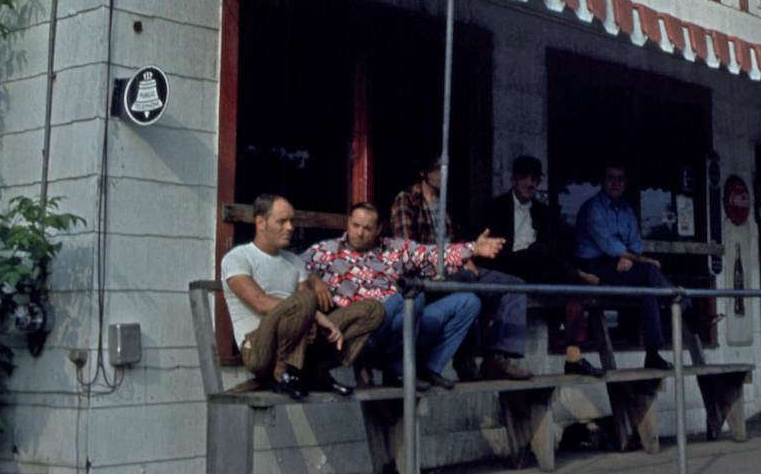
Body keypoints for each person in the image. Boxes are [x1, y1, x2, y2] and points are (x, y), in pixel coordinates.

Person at [301, 202, 504, 389]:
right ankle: (398, 372)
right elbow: (290, 267)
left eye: (367, 228)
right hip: (362, 333)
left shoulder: (394, 249)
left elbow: (430, 255)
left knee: (467, 301)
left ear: (379, 229)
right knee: (411, 296)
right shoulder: (325, 252)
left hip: (402, 328)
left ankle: (427, 369)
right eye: (355, 226)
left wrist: (472, 249)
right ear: (348, 222)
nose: (359, 233)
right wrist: (312, 278)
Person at [221, 194, 385, 399]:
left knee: (371, 310)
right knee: (306, 300)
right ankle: (282, 374)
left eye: (292, 221)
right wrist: (314, 316)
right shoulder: (238, 258)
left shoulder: (294, 262)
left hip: (299, 344)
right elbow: (260, 303)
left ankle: (313, 371)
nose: (290, 227)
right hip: (258, 348)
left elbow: (302, 306)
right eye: (282, 221)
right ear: (260, 222)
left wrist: (309, 323)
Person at [390, 152, 531, 381]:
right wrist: (456, 258)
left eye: (445, 169)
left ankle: (498, 357)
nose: (442, 174)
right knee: (469, 286)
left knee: (515, 285)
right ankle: (464, 358)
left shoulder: (446, 202)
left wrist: (467, 258)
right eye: (437, 168)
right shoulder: (406, 200)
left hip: (456, 268)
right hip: (426, 273)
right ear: (423, 171)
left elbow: (457, 241)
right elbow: (408, 253)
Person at [575, 164, 711, 370]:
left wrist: (630, 258)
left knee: (649, 292)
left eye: (620, 178)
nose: (616, 183)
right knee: (649, 270)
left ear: (626, 183)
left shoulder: (627, 210)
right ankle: (689, 313)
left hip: (620, 267)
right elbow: (608, 245)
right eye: (611, 178)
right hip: (593, 269)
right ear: (601, 181)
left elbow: (635, 244)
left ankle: (653, 354)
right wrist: (640, 260)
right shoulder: (593, 208)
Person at [480, 155, 604, 378]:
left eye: (535, 179)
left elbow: (558, 244)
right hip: (507, 265)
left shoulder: (544, 212)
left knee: (570, 284)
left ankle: (574, 356)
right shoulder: (495, 208)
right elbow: (488, 250)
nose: (531, 183)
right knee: (542, 255)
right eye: (525, 178)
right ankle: (578, 273)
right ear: (513, 180)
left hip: (537, 268)